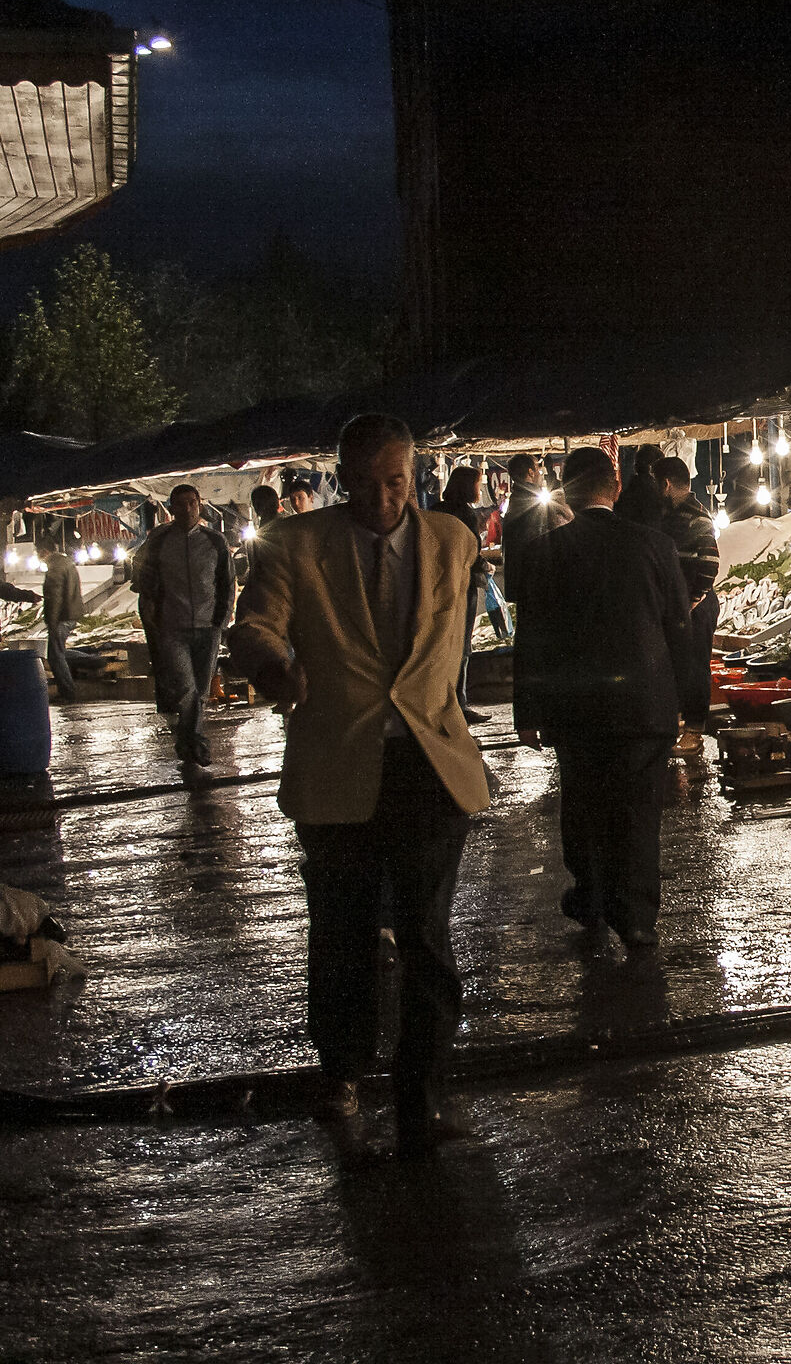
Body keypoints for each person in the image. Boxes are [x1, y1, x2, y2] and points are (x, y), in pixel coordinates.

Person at [229, 414, 490, 1155]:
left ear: (415, 477)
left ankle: (423, 1097)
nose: (382, 499)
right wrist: (275, 667)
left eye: (396, 483)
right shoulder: (295, 546)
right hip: (339, 765)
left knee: (426, 934)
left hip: (429, 767)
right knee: (341, 931)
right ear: (341, 477)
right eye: (367, 484)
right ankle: (341, 1068)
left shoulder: (455, 541)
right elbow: (253, 626)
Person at [507, 447, 693, 951]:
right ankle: (636, 918)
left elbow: (532, 638)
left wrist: (527, 711)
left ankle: (590, 895)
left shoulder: (546, 551)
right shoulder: (654, 545)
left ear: (565, 489)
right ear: (614, 486)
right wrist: (690, 703)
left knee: (584, 800)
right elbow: (681, 628)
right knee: (639, 809)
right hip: (644, 702)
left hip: (575, 706)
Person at [131, 484, 235, 778]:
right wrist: (150, 605)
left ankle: (185, 743)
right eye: (180, 504)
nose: (187, 509)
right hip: (172, 627)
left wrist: (223, 619)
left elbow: (227, 583)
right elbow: (141, 571)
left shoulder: (215, 541)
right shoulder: (159, 540)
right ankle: (197, 744)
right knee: (187, 688)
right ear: (171, 508)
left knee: (200, 690)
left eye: (192, 503)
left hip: (207, 626)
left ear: (200, 506)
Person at [654, 457, 723, 742]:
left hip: (696, 604)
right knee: (676, 665)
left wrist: (693, 599)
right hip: (678, 605)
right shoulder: (667, 515)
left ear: (666, 484)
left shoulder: (696, 515)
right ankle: (679, 725)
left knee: (695, 665)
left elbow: (710, 561)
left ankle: (695, 729)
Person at [438, 466, 495, 724]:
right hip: (463, 586)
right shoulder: (465, 514)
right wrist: (487, 566)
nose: (479, 490)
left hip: (439, 585)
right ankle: (459, 706)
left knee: (443, 644)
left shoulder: (437, 510)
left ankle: (443, 702)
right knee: (462, 646)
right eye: (478, 484)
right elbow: (470, 553)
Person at [500, 452, 567, 584]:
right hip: (533, 575)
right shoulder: (529, 499)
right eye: (537, 470)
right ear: (530, 472)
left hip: (521, 574)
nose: (540, 475)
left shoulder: (517, 497)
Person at [40, 539, 85, 698]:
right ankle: (92, 661)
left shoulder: (56, 567)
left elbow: (55, 596)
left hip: (62, 617)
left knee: (55, 656)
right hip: (70, 614)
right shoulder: (65, 562)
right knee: (59, 652)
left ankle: (68, 691)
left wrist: (51, 622)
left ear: (44, 552)